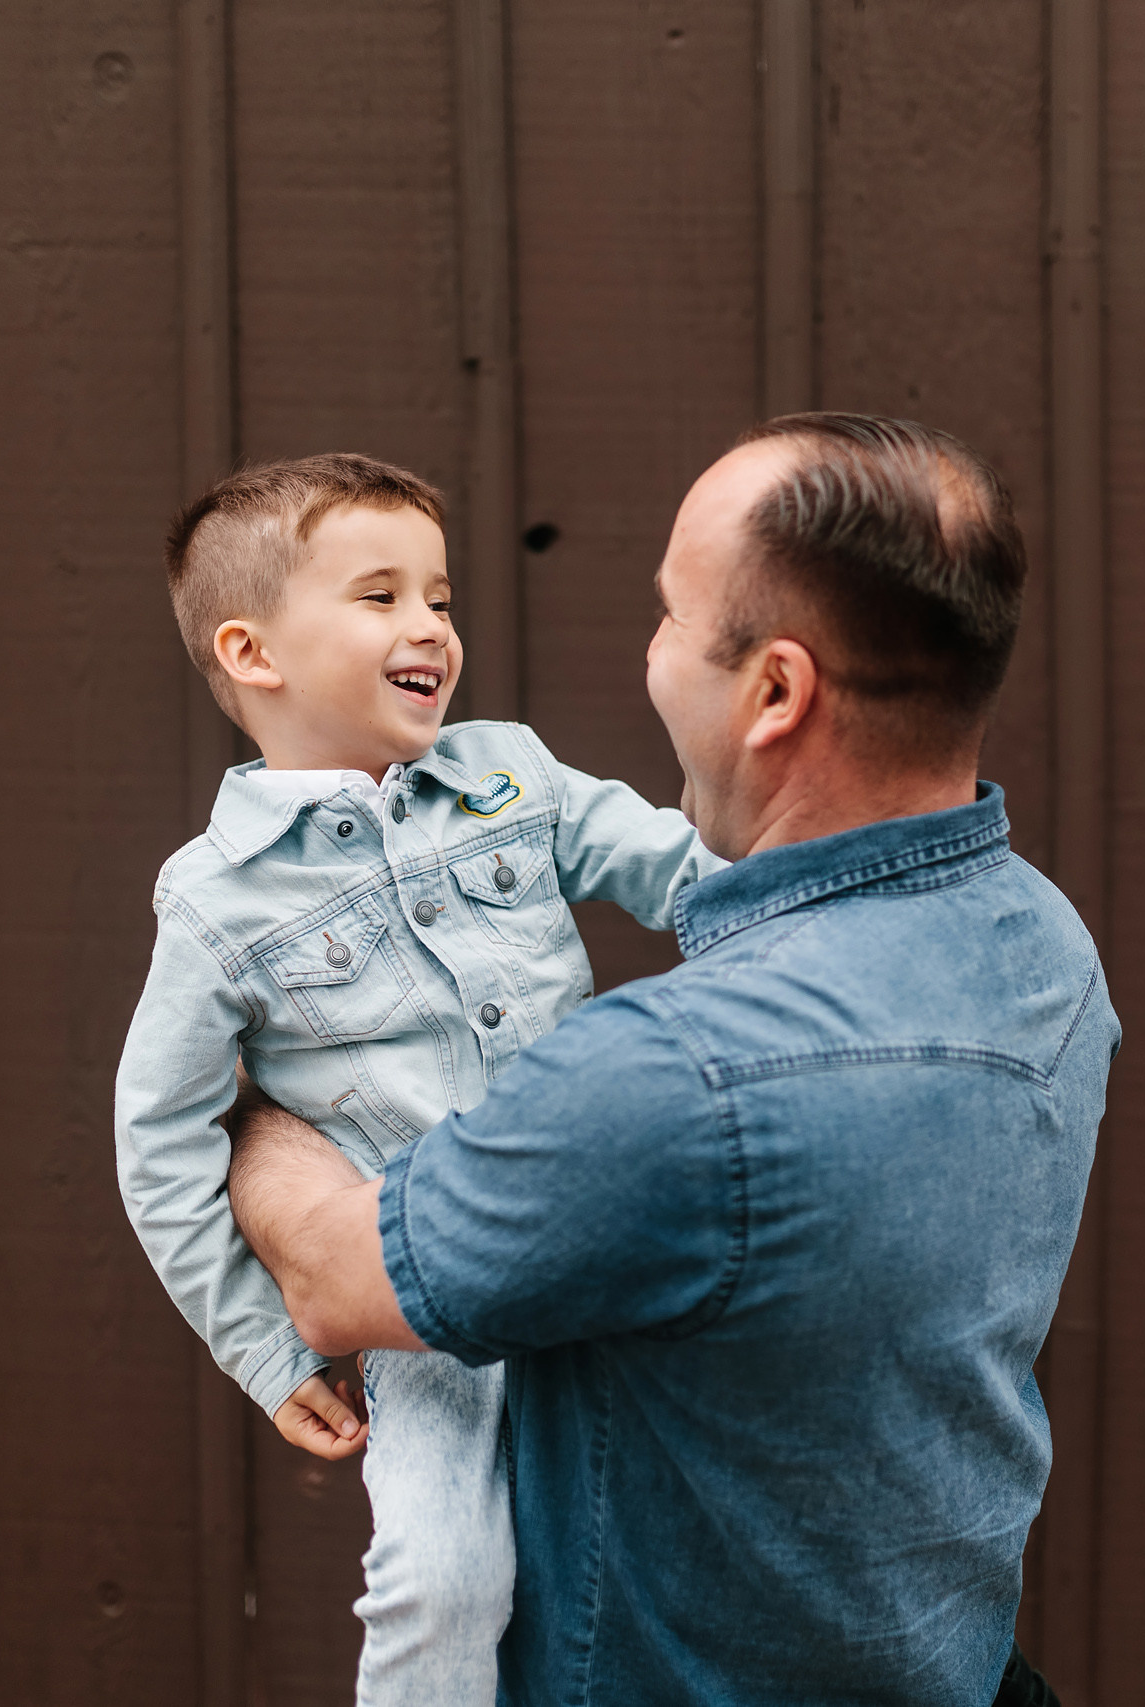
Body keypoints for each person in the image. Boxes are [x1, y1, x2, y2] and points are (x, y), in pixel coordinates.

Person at [228, 414, 1116, 1705]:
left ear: (775, 692)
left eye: (667, 620)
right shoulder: (1044, 941)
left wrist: (250, 1097)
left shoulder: (681, 1074)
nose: (649, 655)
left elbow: (332, 1275)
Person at [113, 453, 722, 1707]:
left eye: (437, 597)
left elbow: (688, 873)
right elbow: (160, 1134)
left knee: (666, 1560)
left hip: (606, 1248)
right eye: (379, 596)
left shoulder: (512, 779)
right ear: (252, 652)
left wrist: (827, 897)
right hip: (420, 1306)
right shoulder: (217, 898)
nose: (428, 628)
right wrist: (266, 1350)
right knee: (439, 1581)